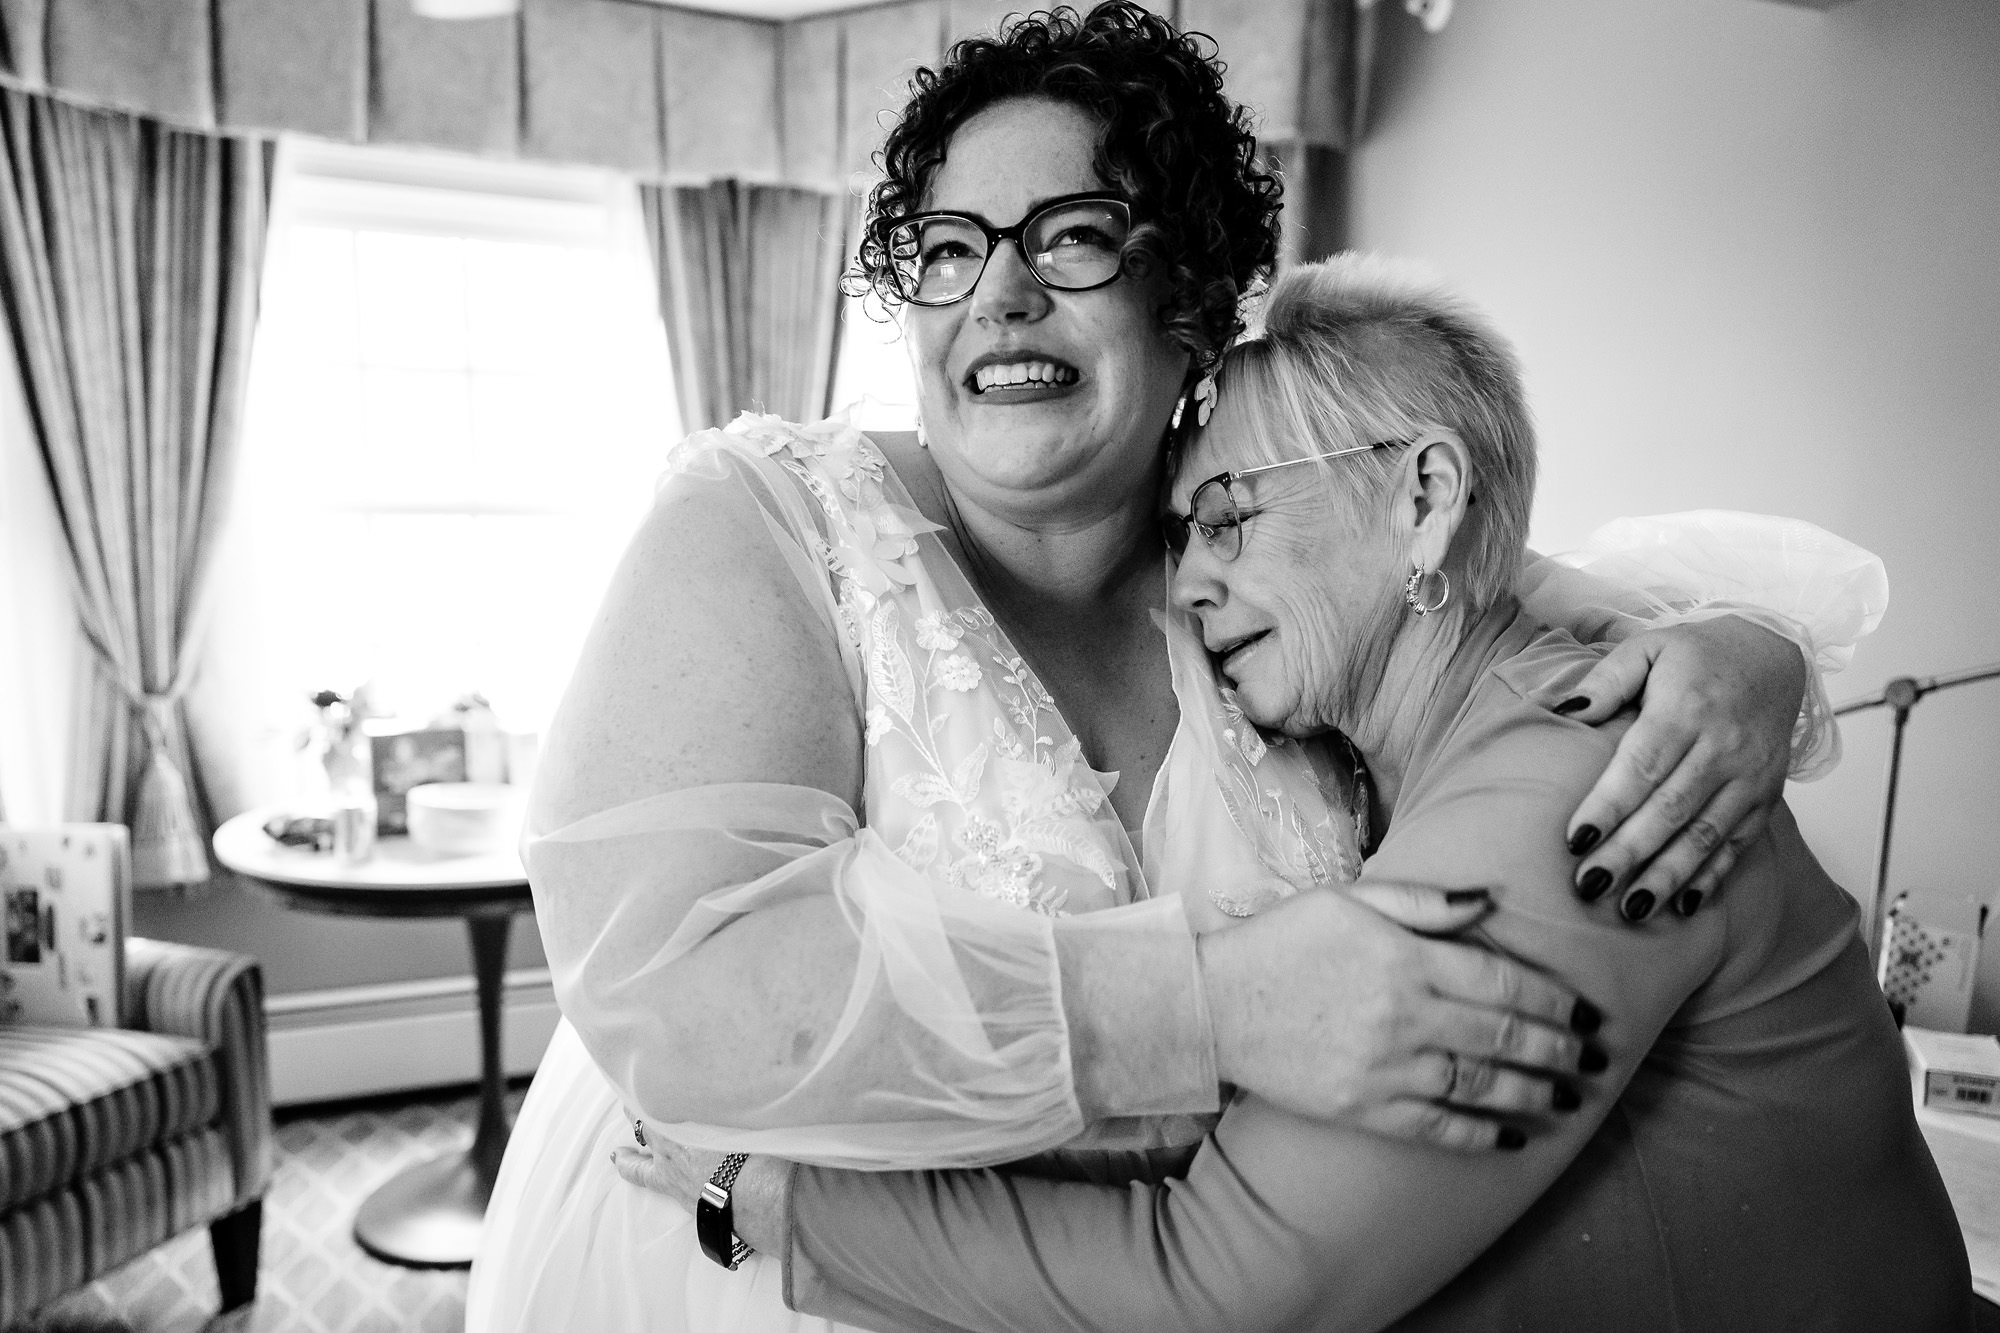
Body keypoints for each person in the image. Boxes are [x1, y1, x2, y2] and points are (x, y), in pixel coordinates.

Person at [466, 7, 1834, 1328]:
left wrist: (1743, 650)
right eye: (946, 247)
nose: (996, 290)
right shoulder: (770, 517)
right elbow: (674, 991)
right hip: (748, 1266)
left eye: (1071, 237)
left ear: (1190, 301)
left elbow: (1507, 599)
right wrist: (1210, 1004)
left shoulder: (1258, 580)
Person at [616, 255, 1967, 1332]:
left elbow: (1217, 1280)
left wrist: (774, 1198)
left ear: (1424, 496)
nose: (1186, 586)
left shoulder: (1581, 792)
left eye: (1231, 518)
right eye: (1179, 532)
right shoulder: (1420, 733)